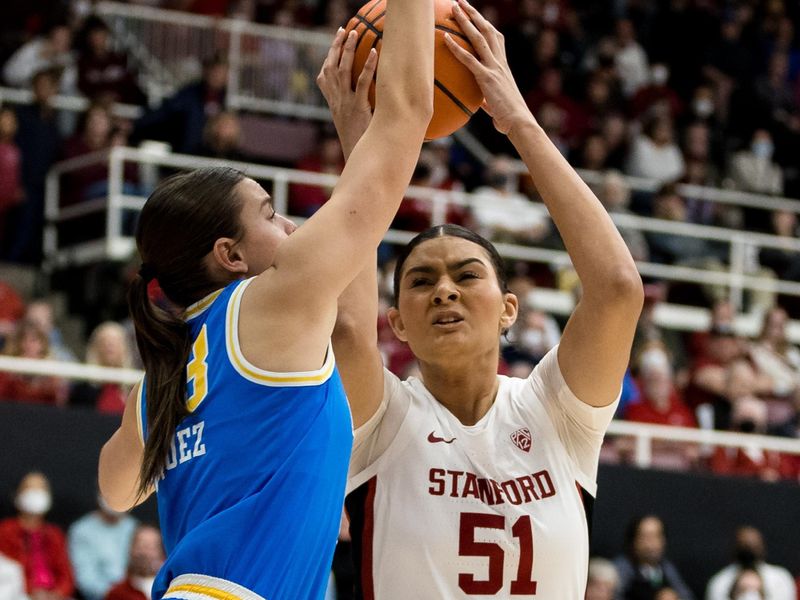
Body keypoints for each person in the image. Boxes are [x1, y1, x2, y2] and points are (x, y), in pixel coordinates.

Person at [97, 0, 435, 598]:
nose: (294, 229)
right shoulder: (268, 304)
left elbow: (114, 489)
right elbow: (409, 113)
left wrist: (357, 137)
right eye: (272, 215)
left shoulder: (158, 383)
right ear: (230, 255)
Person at [327, 1, 643, 596]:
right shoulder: (384, 423)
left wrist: (517, 119)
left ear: (509, 309)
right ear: (396, 323)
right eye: (420, 281)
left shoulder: (556, 413)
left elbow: (618, 289)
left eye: (467, 276)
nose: (444, 288)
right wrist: (360, 144)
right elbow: (346, 330)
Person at [0, 472, 75, 599]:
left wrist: (58, 593)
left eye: (41, 489)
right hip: (20, 594)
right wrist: (31, 591)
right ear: (18, 495)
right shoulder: (6, 531)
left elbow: (66, 575)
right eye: (30, 489)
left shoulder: (54, 534)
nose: (36, 494)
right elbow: (7, 572)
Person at [67, 495, 138, 600]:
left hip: (137, 594)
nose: (116, 495)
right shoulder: (82, 530)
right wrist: (118, 595)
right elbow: (85, 578)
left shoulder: (134, 527)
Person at [613, 515, 694, 600]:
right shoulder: (622, 568)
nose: (652, 544)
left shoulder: (666, 567)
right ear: (634, 541)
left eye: (657, 536)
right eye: (646, 537)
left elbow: (686, 595)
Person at [705, 526, 796, 600]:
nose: (748, 548)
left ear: (762, 547)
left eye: (753, 545)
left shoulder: (780, 578)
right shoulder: (720, 581)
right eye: (744, 545)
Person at [104, 525, 165, 600]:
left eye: (151, 547)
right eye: (140, 546)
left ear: (161, 553)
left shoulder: (171, 588)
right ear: (130, 550)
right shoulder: (117, 593)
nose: (145, 553)